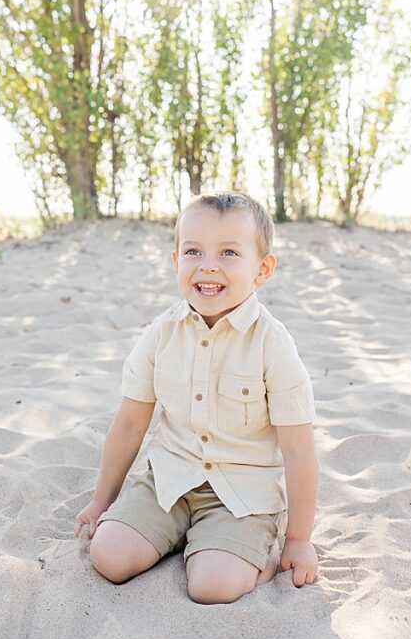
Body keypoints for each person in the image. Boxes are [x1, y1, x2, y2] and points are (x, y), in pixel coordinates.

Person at [74, 191, 318, 604]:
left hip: (241, 495)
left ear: (262, 269)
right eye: (193, 251)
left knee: (211, 586)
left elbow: (298, 449)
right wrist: (102, 500)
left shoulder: (272, 344)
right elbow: (130, 424)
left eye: (228, 252)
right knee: (109, 556)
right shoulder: (161, 334)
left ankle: (243, 546)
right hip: (169, 481)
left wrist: (299, 539)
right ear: (176, 262)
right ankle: (178, 536)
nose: (208, 265)